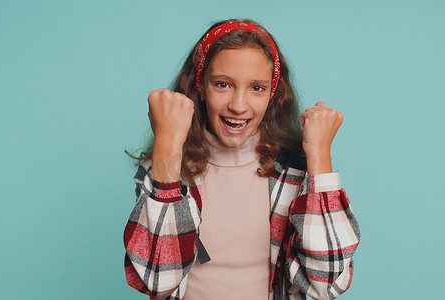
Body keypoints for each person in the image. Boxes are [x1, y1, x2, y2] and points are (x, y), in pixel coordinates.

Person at [123, 19, 360, 300]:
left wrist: (319, 157)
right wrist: (168, 143)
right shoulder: (164, 168)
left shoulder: (296, 172)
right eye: (222, 84)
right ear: (199, 86)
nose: (238, 105)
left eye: (256, 88)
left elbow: (328, 282)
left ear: (273, 95)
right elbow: (156, 279)